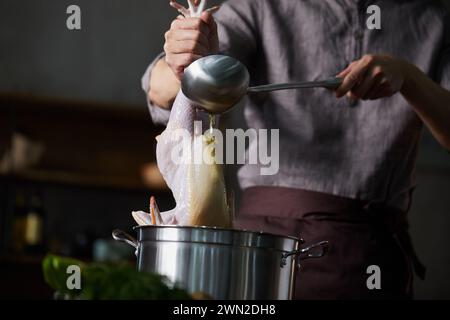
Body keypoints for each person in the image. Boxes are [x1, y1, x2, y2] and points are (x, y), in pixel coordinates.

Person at [142, 0, 450, 299]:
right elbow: (160, 87)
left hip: (373, 251)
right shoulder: (263, 6)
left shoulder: (434, 18)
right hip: (264, 253)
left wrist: (411, 78)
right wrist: (185, 61)